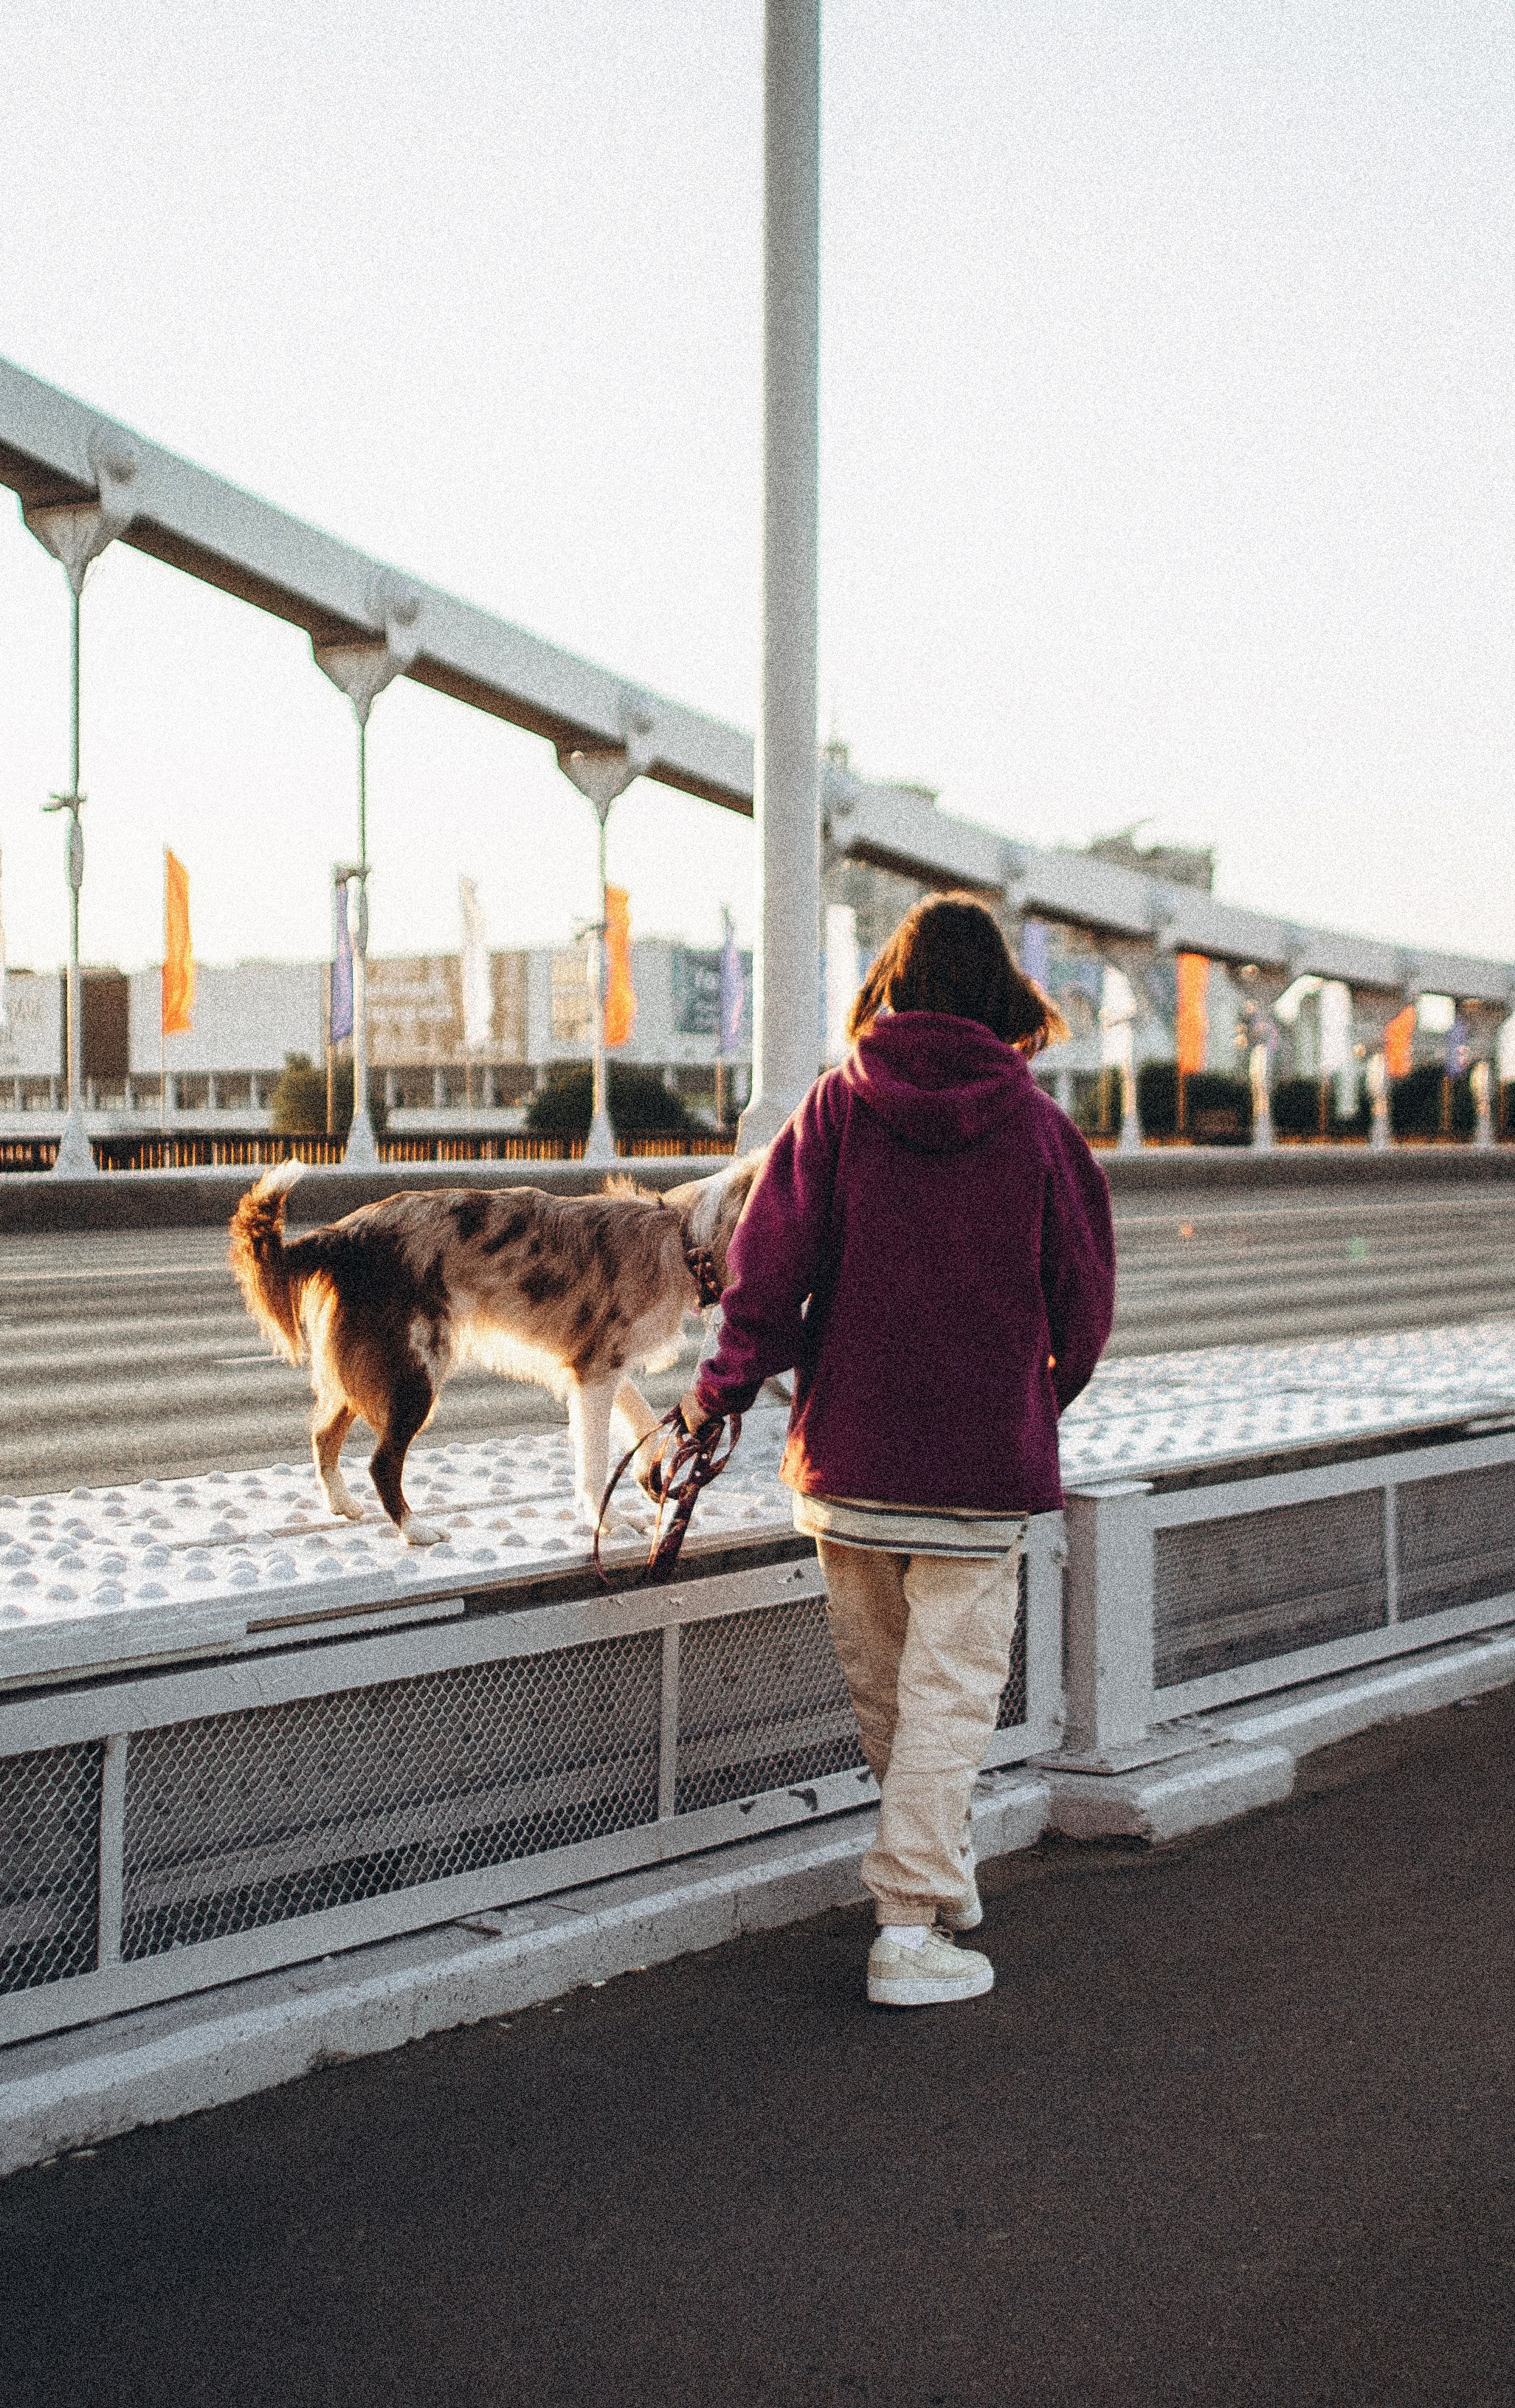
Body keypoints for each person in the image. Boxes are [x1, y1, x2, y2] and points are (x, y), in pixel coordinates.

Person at [680, 894, 1116, 2007]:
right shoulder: (1039, 1131)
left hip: (850, 1459)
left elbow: (764, 1282)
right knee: (947, 1699)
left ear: (893, 985)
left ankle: (932, 1877)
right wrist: (1031, 1398)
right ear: (998, 1000)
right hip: (975, 1469)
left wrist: (717, 1397)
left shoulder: (833, 1110)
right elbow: (1084, 1302)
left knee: (891, 1696)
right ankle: (910, 1926)